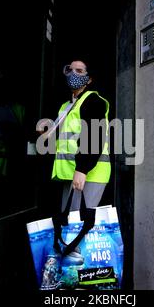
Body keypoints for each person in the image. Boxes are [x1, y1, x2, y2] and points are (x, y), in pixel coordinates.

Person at [51, 60, 111, 212]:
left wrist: (83, 169)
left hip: (88, 173)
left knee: (78, 225)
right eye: (70, 70)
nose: (73, 74)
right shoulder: (68, 105)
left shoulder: (93, 101)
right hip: (73, 173)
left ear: (89, 79)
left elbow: (94, 136)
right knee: (71, 224)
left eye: (79, 71)